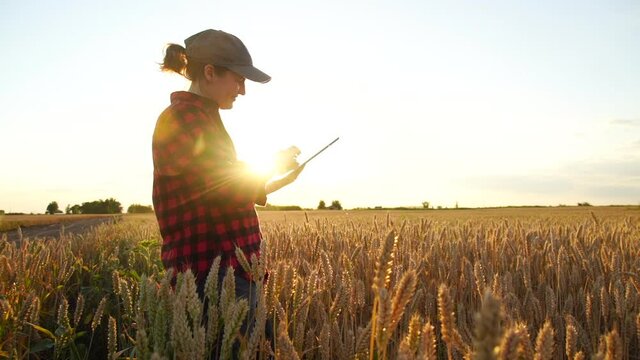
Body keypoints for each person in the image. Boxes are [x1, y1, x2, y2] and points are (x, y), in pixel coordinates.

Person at [152, 28, 304, 350]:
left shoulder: (200, 118)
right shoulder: (182, 119)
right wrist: (271, 166)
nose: (243, 90)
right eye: (238, 79)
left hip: (230, 273)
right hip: (213, 276)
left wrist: (276, 179)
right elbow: (222, 187)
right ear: (209, 72)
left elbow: (219, 187)